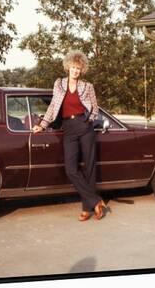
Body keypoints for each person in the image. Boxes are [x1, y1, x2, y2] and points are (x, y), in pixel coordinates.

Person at [32, 50, 108, 221]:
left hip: (84, 126)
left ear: (82, 70)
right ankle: (96, 201)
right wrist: (42, 125)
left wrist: (88, 120)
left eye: (78, 68)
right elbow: (52, 107)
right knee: (71, 169)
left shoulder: (87, 86)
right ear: (68, 67)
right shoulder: (59, 84)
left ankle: (87, 208)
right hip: (69, 128)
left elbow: (95, 109)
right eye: (73, 67)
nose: (75, 71)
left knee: (89, 168)